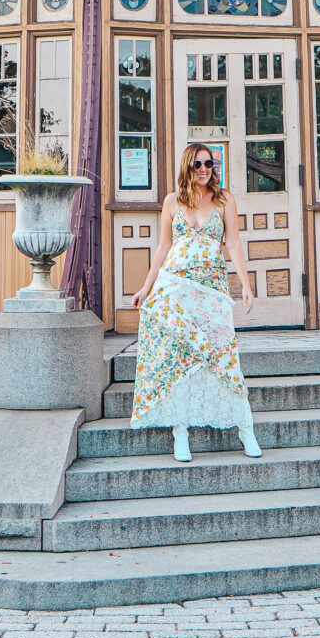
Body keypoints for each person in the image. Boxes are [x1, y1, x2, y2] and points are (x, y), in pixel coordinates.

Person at [129, 143, 262, 463]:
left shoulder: (224, 198)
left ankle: (245, 428)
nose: (204, 169)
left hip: (212, 289)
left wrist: (244, 284)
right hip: (175, 286)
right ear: (187, 167)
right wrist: (147, 287)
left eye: (209, 164)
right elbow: (163, 247)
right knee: (178, 359)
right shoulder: (172, 202)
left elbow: (233, 243)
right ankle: (180, 432)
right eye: (198, 164)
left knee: (224, 355)